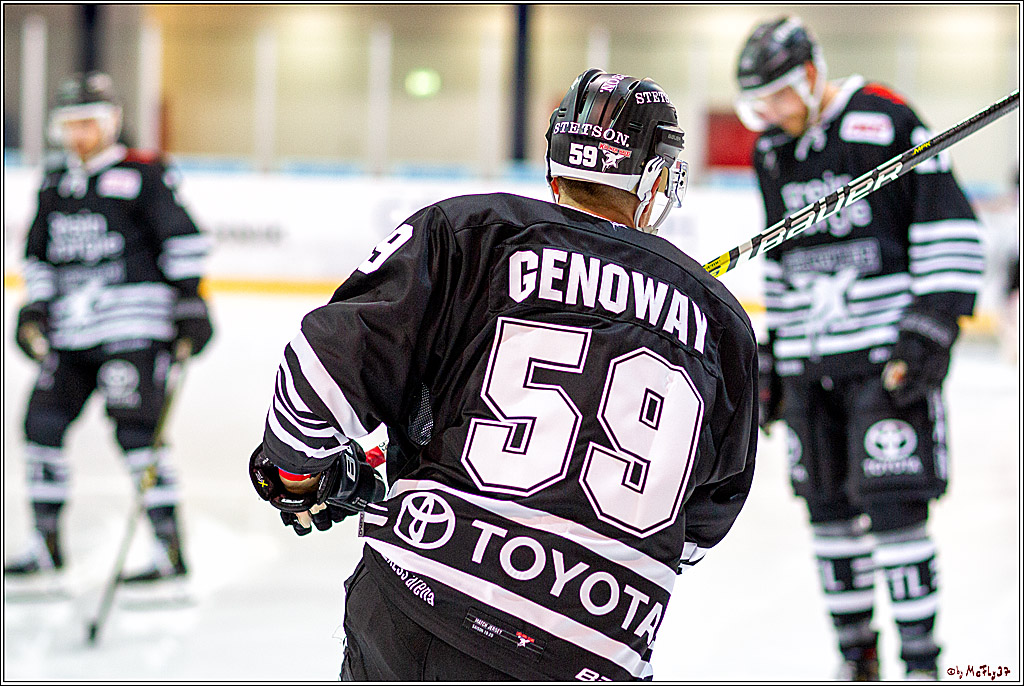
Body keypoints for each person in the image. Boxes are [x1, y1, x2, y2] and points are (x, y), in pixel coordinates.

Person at [248, 69, 758, 681]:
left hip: (425, 600)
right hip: (594, 644)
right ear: (655, 178)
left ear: (557, 163)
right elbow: (701, 525)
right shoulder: (723, 325)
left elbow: (322, 364)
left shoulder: (471, 234)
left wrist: (300, 474)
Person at [734, 16, 985, 680]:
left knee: (896, 508)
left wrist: (930, 327)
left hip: (884, 362)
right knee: (826, 513)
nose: (770, 113)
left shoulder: (885, 120)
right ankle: (856, 659)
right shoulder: (771, 151)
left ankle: (922, 663)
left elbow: (950, 224)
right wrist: (774, 355)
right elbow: (780, 257)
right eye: (758, 102)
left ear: (809, 75)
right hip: (811, 366)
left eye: (777, 96)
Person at [4, 72, 214, 589]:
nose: (79, 135)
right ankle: (46, 545)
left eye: (88, 123)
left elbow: (184, 239)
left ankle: (168, 549)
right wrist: (35, 308)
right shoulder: (55, 183)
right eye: (69, 125)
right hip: (71, 331)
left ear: (112, 122)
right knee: (41, 425)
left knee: (137, 431)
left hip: (133, 328)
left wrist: (190, 299)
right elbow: (38, 256)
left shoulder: (143, 174)